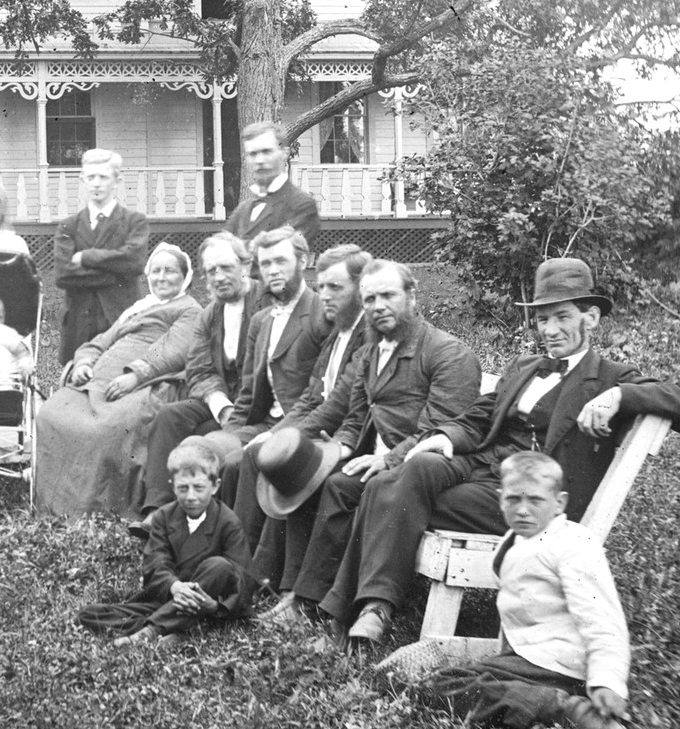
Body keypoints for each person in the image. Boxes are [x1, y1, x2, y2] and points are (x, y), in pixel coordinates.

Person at [320, 257, 680, 645]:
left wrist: (621, 395)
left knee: (390, 488)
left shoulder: (608, 376)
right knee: (413, 468)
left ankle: (365, 608)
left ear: (590, 318)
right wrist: (448, 437)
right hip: (482, 466)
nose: (550, 330)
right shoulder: (525, 366)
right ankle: (363, 604)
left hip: (531, 495)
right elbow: (480, 415)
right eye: (543, 320)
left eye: (562, 317)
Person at [252, 259, 481, 641]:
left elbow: (439, 429)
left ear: (412, 296)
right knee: (324, 479)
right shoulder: (372, 353)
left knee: (349, 486)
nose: (378, 306)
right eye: (370, 298)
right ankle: (301, 597)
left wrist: (387, 458)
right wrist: (339, 448)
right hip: (379, 464)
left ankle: (336, 606)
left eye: (388, 295)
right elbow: (357, 415)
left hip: (424, 466)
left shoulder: (446, 353)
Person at [391, 452, 633, 729]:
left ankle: (563, 709)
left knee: (442, 684)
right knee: (458, 681)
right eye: (513, 499)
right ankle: (538, 703)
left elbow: (602, 619)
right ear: (500, 498)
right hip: (531, 658)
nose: (523, 510)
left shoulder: (573, 544)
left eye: (535, 500)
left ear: (560, 502)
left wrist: (608, 681)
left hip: (561, 663)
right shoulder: (515, 539)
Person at [34, 243, 201, 518]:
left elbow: (172, 350)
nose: (161, 277)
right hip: (97, 380)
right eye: (156, 271)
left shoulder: (189, 309)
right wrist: (84, 362)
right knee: (51, 415)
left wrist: (135, 375)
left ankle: (101, 507)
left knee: (108, 429)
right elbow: (101, 341)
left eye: (170, 271)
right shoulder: (139, 308)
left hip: (145, 382)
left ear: (186, 277)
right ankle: (57, 504)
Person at [250, 245, 374, 612]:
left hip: (359, 441)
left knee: (304, 468)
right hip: (331, 435)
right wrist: (280, 436)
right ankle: (265, 576)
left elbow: (339, 403)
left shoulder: (366, 336)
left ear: (361, 288)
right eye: (321, 287)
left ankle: (295, 593)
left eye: (336, 287)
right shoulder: (337, 335)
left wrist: (294, 440)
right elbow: (310, 396)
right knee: (276, 458)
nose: (325, 296)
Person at [131, 232, 267, 538]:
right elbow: (199, 368)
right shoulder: (210, 314)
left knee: (211, 437)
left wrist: (236, 409)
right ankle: (156, 509)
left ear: (245, 266)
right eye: (210, 271)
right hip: (220, 400)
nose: (218, 277)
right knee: (169, 416)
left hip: (257, 402)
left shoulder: (267, 303)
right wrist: (221, 406)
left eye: (226, 268)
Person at [206, 227, 330, 551]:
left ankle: (240, 557)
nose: (272, 271)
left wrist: (277, 434)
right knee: (211, 450)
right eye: (265, 264)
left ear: (304, 261)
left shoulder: (321, 316)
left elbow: (318, 397)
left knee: (240, 462)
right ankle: (202, 545)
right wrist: (229, 433)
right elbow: (248, 392)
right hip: (266, 422)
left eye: (280, 261)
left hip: (304, 428)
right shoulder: (262, 320)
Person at [78, 438, 250, 648]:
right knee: (90, 614)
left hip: (210, 601)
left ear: (215, 486)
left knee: (219, 566)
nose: (191, 496)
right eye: (183, 488)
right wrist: (175, 586)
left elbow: (242, 578)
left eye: (199, 487)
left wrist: (214, 606)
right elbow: (156, 563)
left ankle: (153, 630)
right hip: (167, 600)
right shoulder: (163, 518)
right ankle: (184, 626)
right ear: (173, 487)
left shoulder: (228, 522)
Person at [53, 148, 150, 364]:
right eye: (91, 177)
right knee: (76, 385)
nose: (96, 183)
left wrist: (87, 257)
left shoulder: (135, 222)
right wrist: (114, 276)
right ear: (82, 180)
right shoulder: (69, 226)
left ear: (117, 180)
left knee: (118, 384)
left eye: (103, 177)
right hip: (79, 322)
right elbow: (63, 275)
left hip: (120, 316)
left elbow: (133, 262)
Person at [224, 121, 320, 247]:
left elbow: (277, 253)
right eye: (252, 154)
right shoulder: (244, 209)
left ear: (284, 154)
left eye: (266, 152)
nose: (259, 160)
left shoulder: (302, 205)